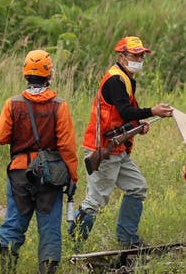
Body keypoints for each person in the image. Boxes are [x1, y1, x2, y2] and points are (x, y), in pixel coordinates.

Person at [75, 36, 174, 249]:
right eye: (134, 55)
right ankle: (74, 246)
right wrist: (151, 112)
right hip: (104, 148)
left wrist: (136, 125)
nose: (139, 58)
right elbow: (124, 110)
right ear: (122, 56)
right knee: (95, 201)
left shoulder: (125, 78)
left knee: (137, 187)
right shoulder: (115, 80)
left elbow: (121, 116)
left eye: (141, 55)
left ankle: (128, 240)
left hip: (117, 148)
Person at [0, 50, 79, 274]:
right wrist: (73, 176)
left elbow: (0, 137)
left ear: (25, 74)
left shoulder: (12, 104)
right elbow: (67, 146)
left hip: (20, 172)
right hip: (50, 175)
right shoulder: (59, 106)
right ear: (49, 74)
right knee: (50, 224)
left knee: (15, 219)